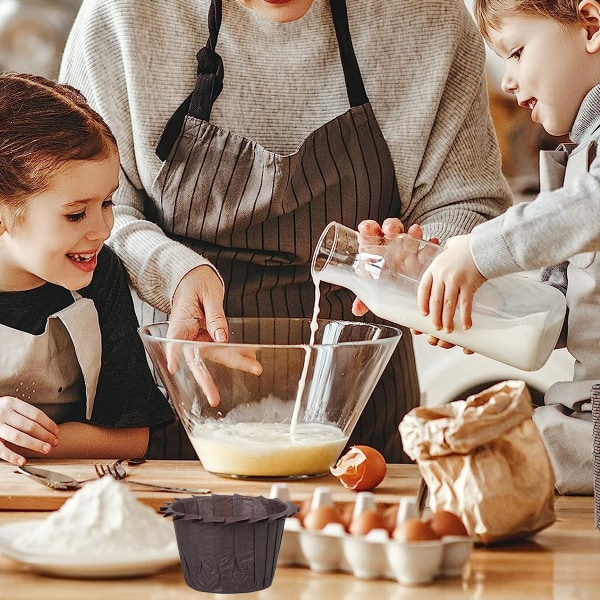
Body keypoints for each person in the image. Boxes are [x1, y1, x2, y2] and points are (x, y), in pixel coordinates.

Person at [58, 0, 512, 463]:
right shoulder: (124, 17)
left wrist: (424, 257)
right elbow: (86, 215)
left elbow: (467, 200)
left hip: (362, 411)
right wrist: (175, 273)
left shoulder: (430, 19)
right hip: (177, 392)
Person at [416, 0, 600, 493]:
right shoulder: (581, 150)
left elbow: (594, 206)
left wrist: (479, 250)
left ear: (591, 24)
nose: (506, 81)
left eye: (516, 52)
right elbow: (564, 311)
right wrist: (474, 305)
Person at [0, 73, 175, 467]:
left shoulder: (102, 275)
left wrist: (21, 443)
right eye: (76, 214)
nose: (102, 229)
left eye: (108, 203)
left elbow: (132, 438)